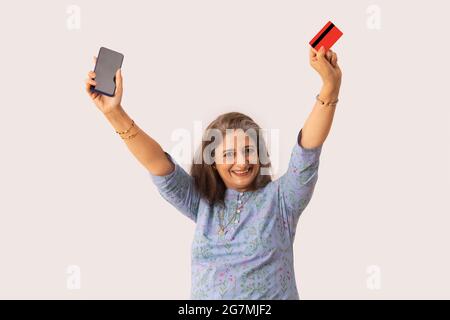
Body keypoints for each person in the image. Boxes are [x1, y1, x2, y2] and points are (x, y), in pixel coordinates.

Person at [84, 45, 342, 299]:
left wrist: (330, 87)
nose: (241, 162)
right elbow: (157, 164)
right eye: (229, 154)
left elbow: (307, 150)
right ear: (212, 161)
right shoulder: (202, 203)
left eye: (249, 151)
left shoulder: (282, 199)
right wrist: (114, 113)